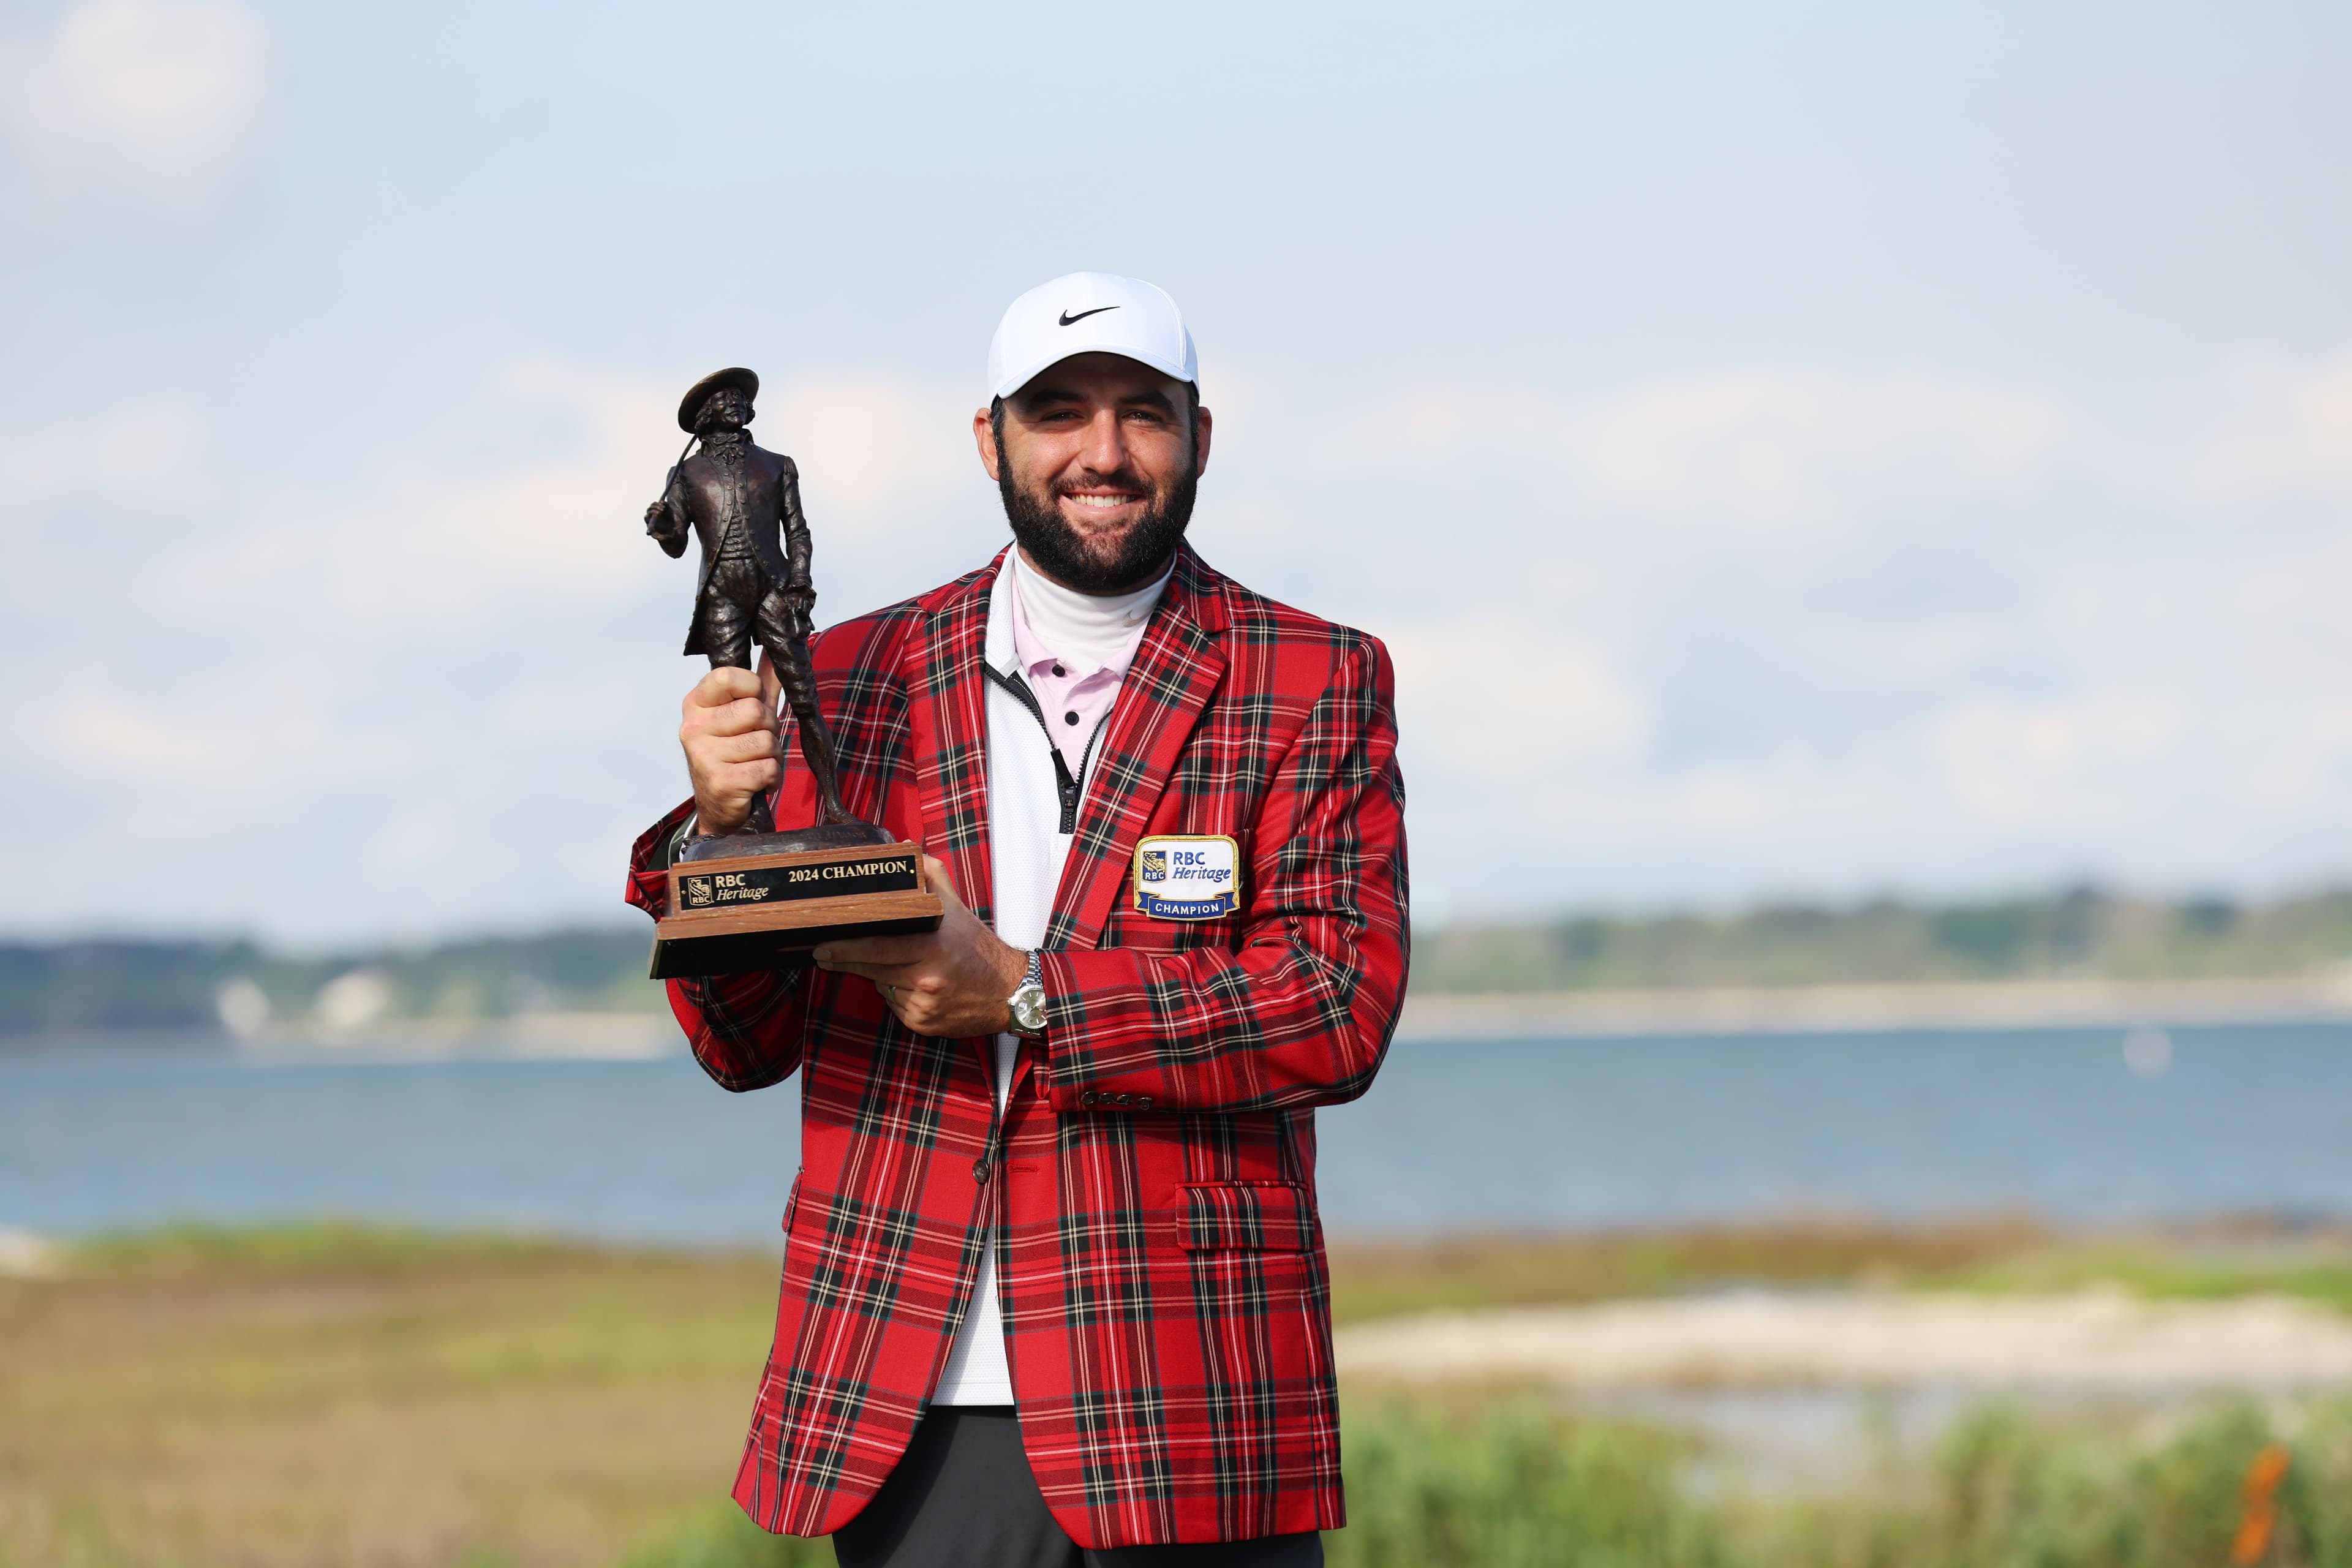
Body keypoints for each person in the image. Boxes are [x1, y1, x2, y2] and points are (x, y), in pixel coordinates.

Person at [623, 273, 1409, 1566]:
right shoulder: (850, 680)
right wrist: (723, 835)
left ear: (1200, 436)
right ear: (989, 439)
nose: (1102, 452)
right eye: (1059, 412)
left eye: (1141, 413)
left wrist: (1024, 989)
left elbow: (1335, 1007)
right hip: (906, 1404)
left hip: (1190, 1405)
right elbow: (743, 1043)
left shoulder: (1314, 674)